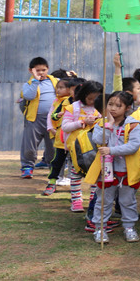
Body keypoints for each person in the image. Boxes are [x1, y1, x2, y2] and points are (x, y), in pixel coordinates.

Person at [85, 91, 140, 243]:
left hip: (126, 170)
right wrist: (109, 125)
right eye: (110, 104)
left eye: (118, 105)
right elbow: (98, 140)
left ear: (127, 108)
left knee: (127, 200)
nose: (113, 108)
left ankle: (129, 227)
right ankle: (100, 229)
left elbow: (133, 146)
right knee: (103, 200)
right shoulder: (101, 123)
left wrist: (111, 150)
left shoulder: (133, 124)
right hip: (106, 170)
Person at [60, 81, 103, 212]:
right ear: (83, 95)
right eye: (90, 98)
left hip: (94, 148)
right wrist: (82, 122)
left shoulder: (101, 109)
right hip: (76, 149)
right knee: (75, 175)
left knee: (96, 175)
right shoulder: (73, 108)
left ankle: (93, 199)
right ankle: (76, 201)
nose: (92, 102)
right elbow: (65, 127)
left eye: (96, 99)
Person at [19, 57, 58, 178]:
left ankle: (54, 169)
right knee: (29, 145)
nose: (41, 72)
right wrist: (35, 81)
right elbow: (29, 96)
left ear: (48, 69)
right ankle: (27, 167)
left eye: (44, 70)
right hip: (34, 119)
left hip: (53, 120)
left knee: (52, 146)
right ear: (31, 71)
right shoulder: (28, 84)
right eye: (38, 70)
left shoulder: (56, 82)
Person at [42, 78, 74, 195]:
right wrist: (55, 121)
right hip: (60, 139)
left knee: (74, 162)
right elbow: (53, 115)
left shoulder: (77, 104)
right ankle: (52, 182)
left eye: (61, 87)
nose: (58, 90)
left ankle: (74, 184)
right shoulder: (60, 102)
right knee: (57, 161)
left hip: (74, 140)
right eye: (58, 87)